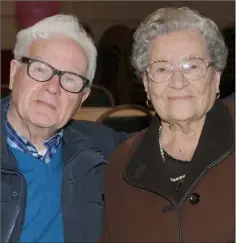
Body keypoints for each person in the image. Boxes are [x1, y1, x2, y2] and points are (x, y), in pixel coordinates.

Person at [101, 7, 234, 243]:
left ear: (216, 78)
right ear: (146, 83)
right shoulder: (122, 165)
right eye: (162, 68)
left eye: (192, 66)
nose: (178, 82)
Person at [1, 14, 129, 243]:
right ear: (13, 74)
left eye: (70, 79)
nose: (53, 87)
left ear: (83, 98)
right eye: (40, 69)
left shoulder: (100, 148)